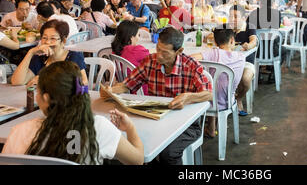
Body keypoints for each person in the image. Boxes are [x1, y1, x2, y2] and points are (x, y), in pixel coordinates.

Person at [100, 27, 212, 165]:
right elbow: (127, 84)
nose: (159, 55)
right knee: (132, 142)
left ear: (179, 51)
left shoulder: (192, 66)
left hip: (187, 125)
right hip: (154, 118)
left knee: (168, 152)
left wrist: (188, 97)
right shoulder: (150, 61)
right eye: (158, 49)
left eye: (164, 53)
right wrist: (111, 90)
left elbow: (208, 94)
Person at [3, 61, 144, 165]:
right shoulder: (98, 127)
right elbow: (137, 160)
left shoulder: (20, 131)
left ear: (46, 98)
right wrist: (130, 128)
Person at [191, 28, 245, 137]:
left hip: (208, 101)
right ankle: (213, 127)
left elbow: (190, 58)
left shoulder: (212, 53)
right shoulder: (241, 57)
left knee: (211, 86)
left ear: (215, 42)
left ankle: (208, 128)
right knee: (218, 87)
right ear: (232, 40)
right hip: (228, 100)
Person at [11, 20, 88, 86]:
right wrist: (30, 52)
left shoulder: (74, 57)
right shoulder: (40, 58)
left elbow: (84, 83)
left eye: (53, 38)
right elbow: (17, 82)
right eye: (44, 38)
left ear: (63, 40)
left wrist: (48, 82)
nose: (47, 42)